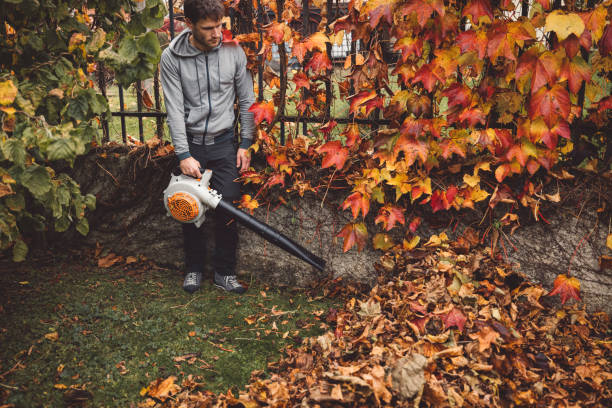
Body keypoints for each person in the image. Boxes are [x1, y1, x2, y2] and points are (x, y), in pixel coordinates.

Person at [160, 0, 255, 294]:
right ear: (189, 24)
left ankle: (224, 273)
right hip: (192, 145)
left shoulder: (233, 51)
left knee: (229, 208)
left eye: (220, 26)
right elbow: (174, 109)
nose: (217, 34)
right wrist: (184, 154)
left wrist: (246, 143)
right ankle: (194, 269)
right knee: (189, 209)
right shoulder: (171, 58)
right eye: (208, 28)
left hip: (225, 143)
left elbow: (248, 99)